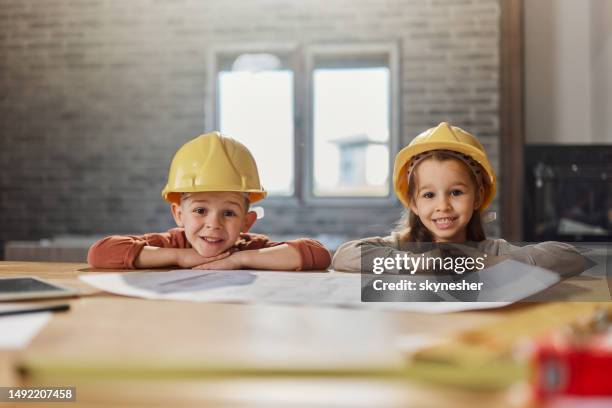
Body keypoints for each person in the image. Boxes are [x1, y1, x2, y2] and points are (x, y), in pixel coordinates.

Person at [332, 122, 590, 277]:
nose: (443, 205)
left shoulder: (492, 251)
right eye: (429, 195)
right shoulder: (400, 246)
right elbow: (344, 256)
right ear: (413, 203)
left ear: (478, 196)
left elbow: (571, 257)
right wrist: (427, 263)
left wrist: (479, 263)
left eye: (456, 192)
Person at [88, 132, 331, 271]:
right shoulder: (172, 244)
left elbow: (318, 254)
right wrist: (181, 257)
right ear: (178, 214)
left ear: (247, 222)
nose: (213, 224)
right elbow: (100, 253)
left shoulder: (248, 247)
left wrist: (239, 260)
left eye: (228, 213)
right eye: (201, 210)